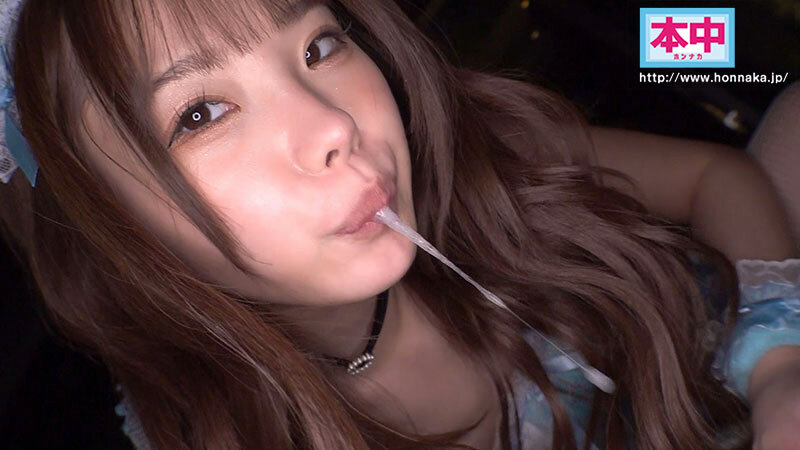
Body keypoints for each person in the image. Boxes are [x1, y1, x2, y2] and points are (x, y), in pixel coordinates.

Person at [1, 0, 799, 448]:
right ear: (111, 225)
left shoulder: (470, 151)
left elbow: (716, 173)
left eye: (318, 47)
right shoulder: (223, 431)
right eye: (201, 113)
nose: (334, 125)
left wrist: (777, 364)